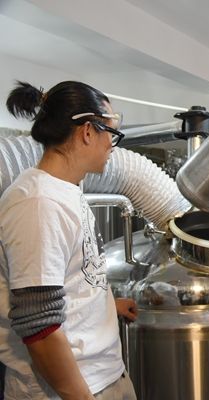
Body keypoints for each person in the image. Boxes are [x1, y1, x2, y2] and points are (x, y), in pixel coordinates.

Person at [0, 81, 138, 399]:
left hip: (102, 377)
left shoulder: (65, 191)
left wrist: (105, 307)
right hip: (66, 390)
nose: (112, 145)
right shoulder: (38, 202)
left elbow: (62, 282)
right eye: (111, 133)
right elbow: (40, 326)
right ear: (87, 131)